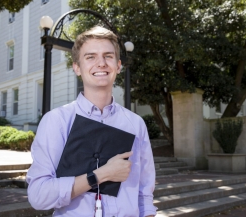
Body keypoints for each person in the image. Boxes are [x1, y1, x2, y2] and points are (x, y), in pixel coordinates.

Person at [26, 26, 157, 217]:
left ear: (118, 65)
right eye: (90, 57)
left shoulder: (135, 124)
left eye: (108, 56)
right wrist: (101, 175)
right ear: (77, 67)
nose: (101, 63)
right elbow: (39, 196)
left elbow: (145, 195)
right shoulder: (57, 121)